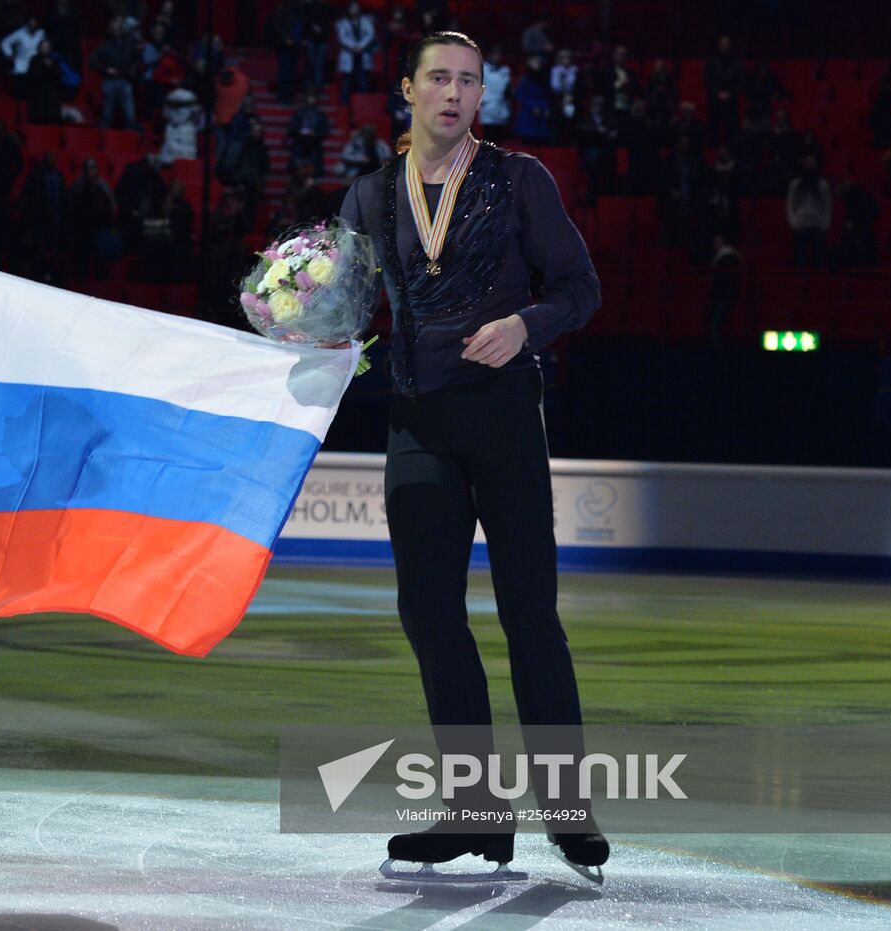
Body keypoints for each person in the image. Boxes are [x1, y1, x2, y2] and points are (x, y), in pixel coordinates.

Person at [339, 31, 608, 878]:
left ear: (479, 98)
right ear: (408, 92)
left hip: (502, 417)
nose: (453, 94)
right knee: (427, 611)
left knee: (529, 611)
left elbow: (580, 289)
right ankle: (475, 812)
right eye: (439, 79)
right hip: (417, 419)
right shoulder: (372, 194)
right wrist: (297, 317)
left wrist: (526, 323)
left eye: (468, 82)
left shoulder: (519, 180)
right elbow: (342, 305)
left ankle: (566, 811)